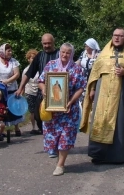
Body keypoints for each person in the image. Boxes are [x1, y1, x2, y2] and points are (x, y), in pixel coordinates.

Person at [80, 27, 124, 165]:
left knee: (120, 122)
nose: (117, 38)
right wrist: (93, 88)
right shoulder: (104, 54)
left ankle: (119, 156)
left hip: (122, 92)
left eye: (120, 35)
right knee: (100, 120)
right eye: (115, 35)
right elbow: (95, 72)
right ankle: (99, 154)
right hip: (102, 93)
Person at [38, 43, 86, 176]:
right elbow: (41, 81)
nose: (65, 55)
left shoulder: (77, 69)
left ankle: (60, 164)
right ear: (60, 52)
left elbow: (81, 87)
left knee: (66, 137)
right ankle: (58, 158)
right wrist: (44, 90)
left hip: (69, 110)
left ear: (72, 54)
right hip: (52, 110)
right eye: (63, 52)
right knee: (53, 138)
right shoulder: (51, 65)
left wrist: (71, 102)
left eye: (68, 53)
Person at [16, 33, 59, 139]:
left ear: (53, 42)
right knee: (38, 116)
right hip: (42, 91)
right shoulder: (40, 56)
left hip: (58, 91)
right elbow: (29, 73)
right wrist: (20, 88)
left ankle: (55, 139)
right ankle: (47, 134)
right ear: (41, 43)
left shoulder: (59, 54)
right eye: (44, 43)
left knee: (56, 117)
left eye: (49, 43)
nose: (47, 45)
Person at [22, 49, 40, 134]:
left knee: (40, 110)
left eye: (34, 58)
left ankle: (41, 126)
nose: (32, 59)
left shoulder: (40, 68)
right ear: (28, 59)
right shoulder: (26, 70)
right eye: (31, 58)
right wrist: (21, 91)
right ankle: (34, 127)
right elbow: (23, 81)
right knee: (32, 111)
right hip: (30, 92)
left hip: (39, 91)